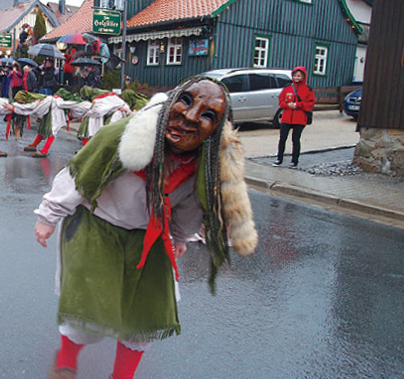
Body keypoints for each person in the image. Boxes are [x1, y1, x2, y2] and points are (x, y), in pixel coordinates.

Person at [34, 77, 258, 379]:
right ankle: (65, 364)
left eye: (207, 115)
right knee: (88, 309)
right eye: (187, 102)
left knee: (144, 317)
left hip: (150, 236)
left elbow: (190, 206)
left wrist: (178, 236)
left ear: (216, 130)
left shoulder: (201, 165)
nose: (190, 117)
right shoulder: (122, 136)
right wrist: (50, 215)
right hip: (98, 226)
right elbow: (78, 176)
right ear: (171, 101)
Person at [273, 66, 315, 168]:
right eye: (295, 75)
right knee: (282, 138)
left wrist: (298, 105)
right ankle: (279, 158)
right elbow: (281, 100)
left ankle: (294, 160)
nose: (296, 78)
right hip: (287, 117)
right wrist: (287, 105)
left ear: (303, 77)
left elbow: (310, 104)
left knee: (295, 139)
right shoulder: (288, 87)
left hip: (299, 118)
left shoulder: (308, 89)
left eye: (299, 76)